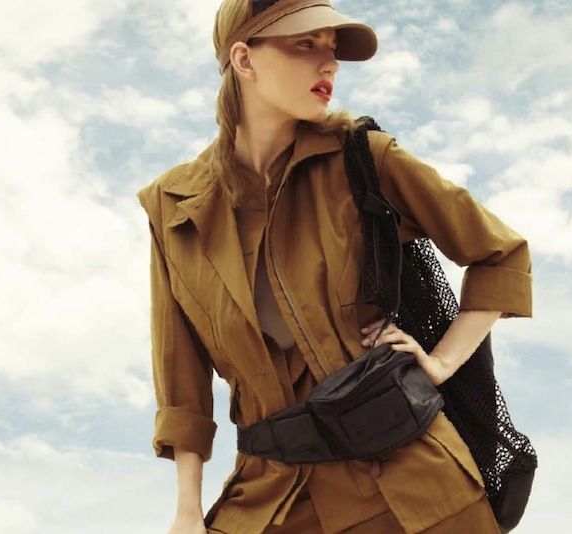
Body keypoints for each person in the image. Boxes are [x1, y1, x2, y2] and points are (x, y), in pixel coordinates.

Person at [135, 0, 533, 532]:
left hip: (413, 489)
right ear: (244, 60)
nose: (329, 64)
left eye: (332, 48)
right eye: (305, 45)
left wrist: (440, 363)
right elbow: (180, 374)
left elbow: (501, 253)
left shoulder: (365, 157)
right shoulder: (173, 205)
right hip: (269, 496)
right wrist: (188, 510)